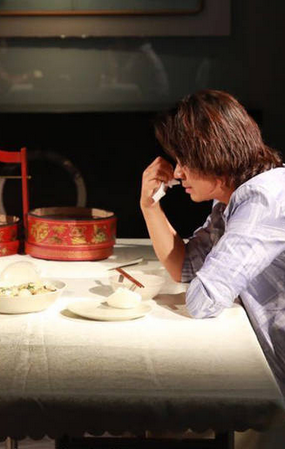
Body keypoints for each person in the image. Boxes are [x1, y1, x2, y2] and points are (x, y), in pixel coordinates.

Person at [140, 90, 285, 396]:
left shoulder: (263, 198)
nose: (177, 172)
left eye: (185, 160)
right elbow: (186, 267)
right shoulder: (232, 198)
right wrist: (150, 206)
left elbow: (203, 301)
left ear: (214, 153)